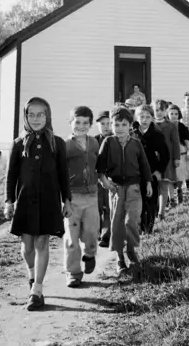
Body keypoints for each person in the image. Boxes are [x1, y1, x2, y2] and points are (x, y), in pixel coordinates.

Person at [4, 97, 72, 311]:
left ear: (47, 116)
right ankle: (32, 275)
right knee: (26, 247)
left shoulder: (57, 143)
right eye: (31, 114)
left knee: (42, 243)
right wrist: (9, 201)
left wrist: (67, 200)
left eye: (40, 114)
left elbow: (63, 174)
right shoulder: (17, 144)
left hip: (48, 200)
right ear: (25, 117)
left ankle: (38, 291)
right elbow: (11, 175)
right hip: (25, 200)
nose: (35, 118)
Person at [95, 106, 152, 275]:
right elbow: (100, 166)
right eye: (116, 125)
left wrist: (148, 182)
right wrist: (104, 181)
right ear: (112, 126)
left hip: (134, 188)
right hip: (116, 188)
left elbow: (144, 165)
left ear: (130, 126)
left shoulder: (136, 143)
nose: (119, 128)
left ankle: (132, 251)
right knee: (117, 223)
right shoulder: (108, 142)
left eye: (123, 125)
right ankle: (120, 258)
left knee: (132, 221)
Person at [63, 105, 100, 288]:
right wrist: (64, 199)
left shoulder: (94, 143)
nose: (81, 126)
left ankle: (90, 254)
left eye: (86, 123)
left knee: (91, 233)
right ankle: (73, 272)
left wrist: (105, 181)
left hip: (92, 196)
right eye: (77, 122)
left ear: (91, 124)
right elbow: (60, 173)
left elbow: (98, 167)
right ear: (70, 123)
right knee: (71, 238)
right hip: (72, 198)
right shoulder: (65, 146)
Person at [132, 104, 169, 234]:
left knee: (150, 201)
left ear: (152, 118)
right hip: (135, 174)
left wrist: (159, 171)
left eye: (148, 116)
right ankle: (138, 227)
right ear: (136, 117)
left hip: (152, 173)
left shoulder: (157, 135)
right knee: (137, 201)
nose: (145, 119)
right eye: (142, 116)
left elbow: (165, 155)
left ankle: (148, 228)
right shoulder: (132, 134)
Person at [152, 98, 180, 220]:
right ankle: (153, 209)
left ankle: (161, 212)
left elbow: (175, 142)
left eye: (161, 110)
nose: (159, 113)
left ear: (165, 111)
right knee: (154, 186)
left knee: (164, 185)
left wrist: (177, 158)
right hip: (152, 159)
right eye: (156, 110)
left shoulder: (171, 125)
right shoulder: (149, 124)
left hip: (166, 159)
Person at [166, 104, 189, 204]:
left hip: (181, 154)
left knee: (180, 176)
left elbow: (187, 141)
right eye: (171, 113)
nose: (173, 116)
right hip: (168, 155)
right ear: (167, 114)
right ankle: (171, 198)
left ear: (179, 115)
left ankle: (180, 190)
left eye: (176, 114)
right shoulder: (164, 127)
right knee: (169, 177)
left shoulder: (182, 127)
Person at [94, 110, 112, 247]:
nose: (106, 126)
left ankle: (106, 236)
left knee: (109, 208)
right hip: (96, 180)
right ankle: (98, 232)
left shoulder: (114, 139)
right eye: (102, 124)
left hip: (110, 179)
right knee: (97, 208)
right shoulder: (93, 141)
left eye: (109, 123)